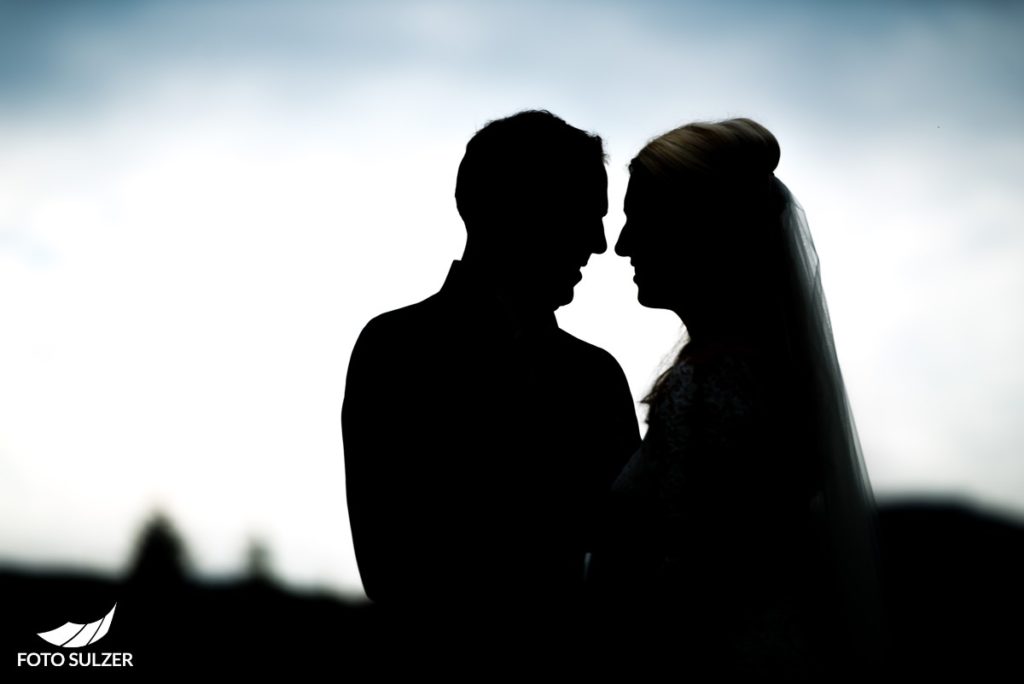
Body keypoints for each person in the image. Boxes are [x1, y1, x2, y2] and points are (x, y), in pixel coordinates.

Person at [586, 118, 885, 677]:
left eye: (640, 220)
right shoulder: (766, 371)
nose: (622, 245)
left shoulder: (706, 388)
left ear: (697, 230)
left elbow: (684, 581)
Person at [341, 110, 641, 645]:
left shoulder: (597, 376)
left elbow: (630, 556)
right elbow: (387, 568)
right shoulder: (396, 350)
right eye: (583, 214)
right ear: (520, 209)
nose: (599, 244)